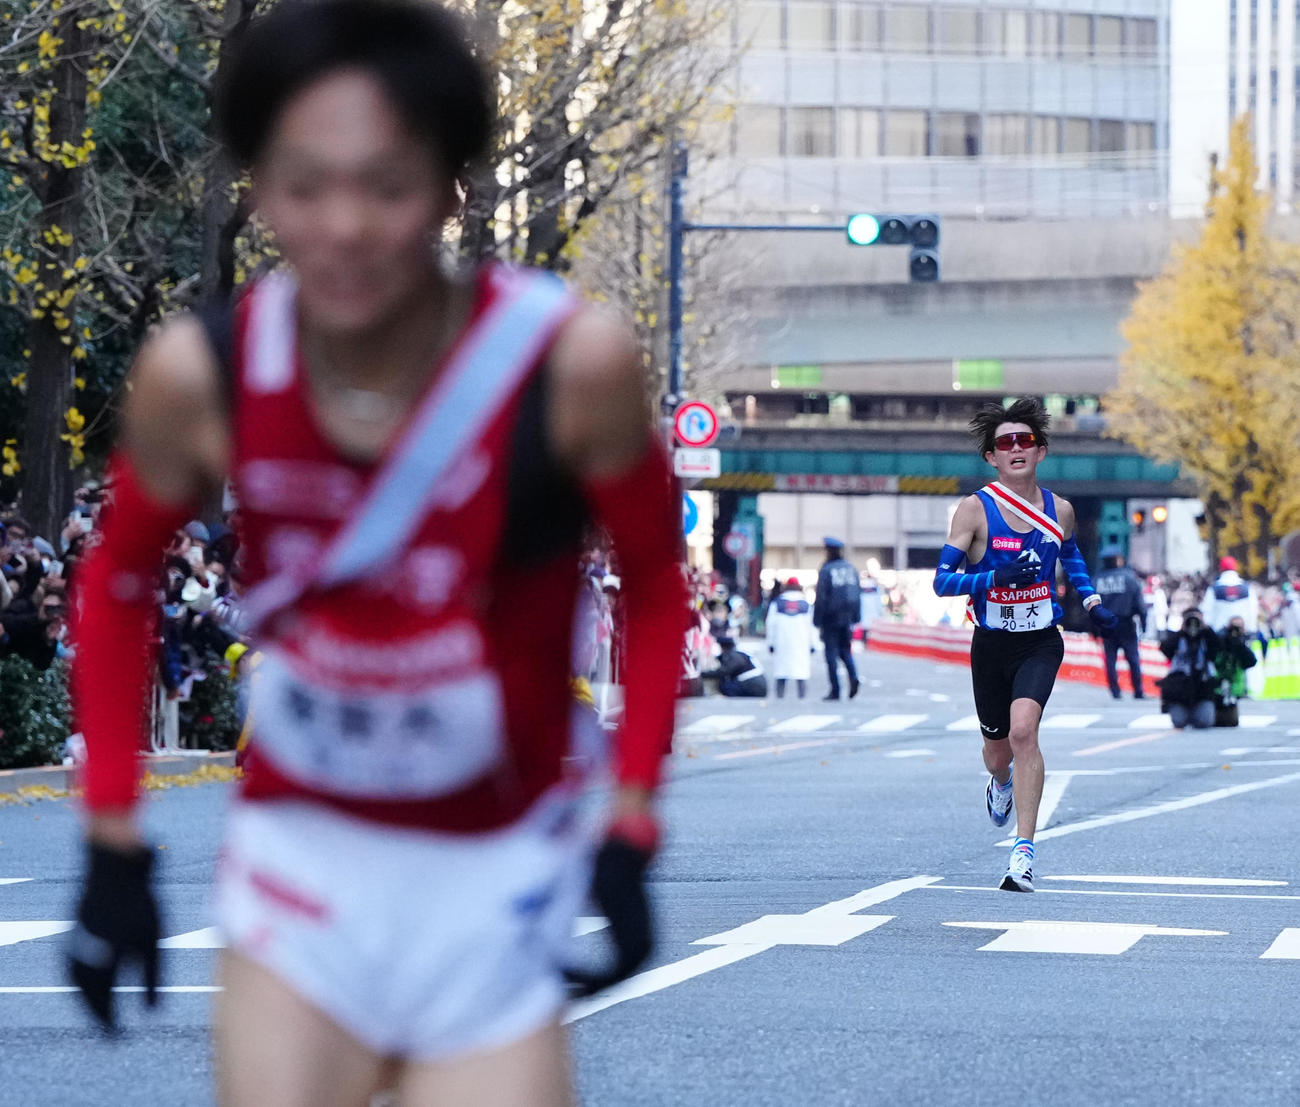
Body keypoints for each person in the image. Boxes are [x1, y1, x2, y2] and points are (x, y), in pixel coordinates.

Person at [66, 4, 684, 1104]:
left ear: (451, 186)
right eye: (303, 186)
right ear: (257, 186)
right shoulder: (198, 374)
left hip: (489, 888)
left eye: (387, 185)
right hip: (302, 880)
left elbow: (652, 583)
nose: (344, 226)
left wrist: (631, 815)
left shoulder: (568, 364)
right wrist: (114, 833)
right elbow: (117, 583)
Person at [932, 398, 1118, 893]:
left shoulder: (1060, 509)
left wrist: (1094, 602)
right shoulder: (974, 509)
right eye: (1005, 443)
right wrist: (995, 575)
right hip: (991, 644)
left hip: (1040, 641)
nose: (1016, 449)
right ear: (991, 457)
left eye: (1025, 441)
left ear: (1041, 452)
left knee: (1022, 734)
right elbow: (942, 582)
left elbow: (1071, 555)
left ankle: (1023, 854)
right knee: (997, 751)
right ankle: (1000, 783)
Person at [1093, 545, 1147, 699]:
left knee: (1110, 659)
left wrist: (1093, 628)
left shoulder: (1097, 580)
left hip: (1106, 624)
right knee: (1132, 658)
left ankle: (1115, 691)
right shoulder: (1129, 578)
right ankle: (1138, 690)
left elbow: (1091, 605)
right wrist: (1144, 624)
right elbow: (1140, 605)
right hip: (1126, 623)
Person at [1158, 608, 1222, 729]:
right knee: (1179, 722)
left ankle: (1198, 713)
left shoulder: (1207, 638)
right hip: (1180, 688)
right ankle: (1187, 713)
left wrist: (1206, 628)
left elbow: (1218, 647)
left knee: (1204, 722)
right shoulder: (1178, 638)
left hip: (1203, 687)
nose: (1193, 624)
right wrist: (1182, 631)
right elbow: (1165, 649)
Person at [813, 537, 861, 701]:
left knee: (831, 654)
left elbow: (821, 597)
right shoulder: (851, 569)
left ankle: (835, 690)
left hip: (830, 618)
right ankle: (853, 676)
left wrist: (817, 620)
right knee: (845, 651)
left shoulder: (826, 570)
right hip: (847, 618)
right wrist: (856, 616)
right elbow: (857, 595)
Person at [766, 578, 814, 699]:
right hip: (801, 643)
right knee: (801, 672)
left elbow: (770, 624)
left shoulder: (777, 603)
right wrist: (813, 644)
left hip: (782, 642)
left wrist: (771, 643)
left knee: (781, 671)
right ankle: (802, 696)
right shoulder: (806, 605)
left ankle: (780, 696)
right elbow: (812, 627)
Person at [1203, 556, 1259, 635]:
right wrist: (1252, 628)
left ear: (1221, 568)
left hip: (1219, 634)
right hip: (1243, 633)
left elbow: (1207, 611)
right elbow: (1253, 609)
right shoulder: (1247, 587)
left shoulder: (1214, 588)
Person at [703, 636, 768, 698]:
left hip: (753, 683)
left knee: (726, 686)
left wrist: (704, 674)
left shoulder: (732, 655)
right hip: (757, 683)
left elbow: (724, 671)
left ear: (722, 646)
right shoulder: (738, 653)